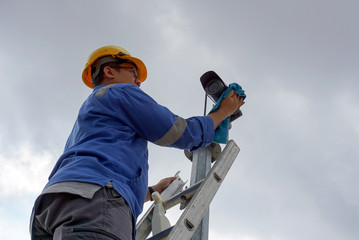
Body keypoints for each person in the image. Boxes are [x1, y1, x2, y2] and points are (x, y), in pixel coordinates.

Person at [30, 45, 245, 240]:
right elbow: (178, 132)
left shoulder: (89, 117)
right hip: (93, 203)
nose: (138, 81)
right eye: (133, 72)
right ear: (109, 71)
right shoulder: (119, 92)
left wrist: (152, 191)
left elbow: (101, 171)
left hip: (51, 208)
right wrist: (222, 112)